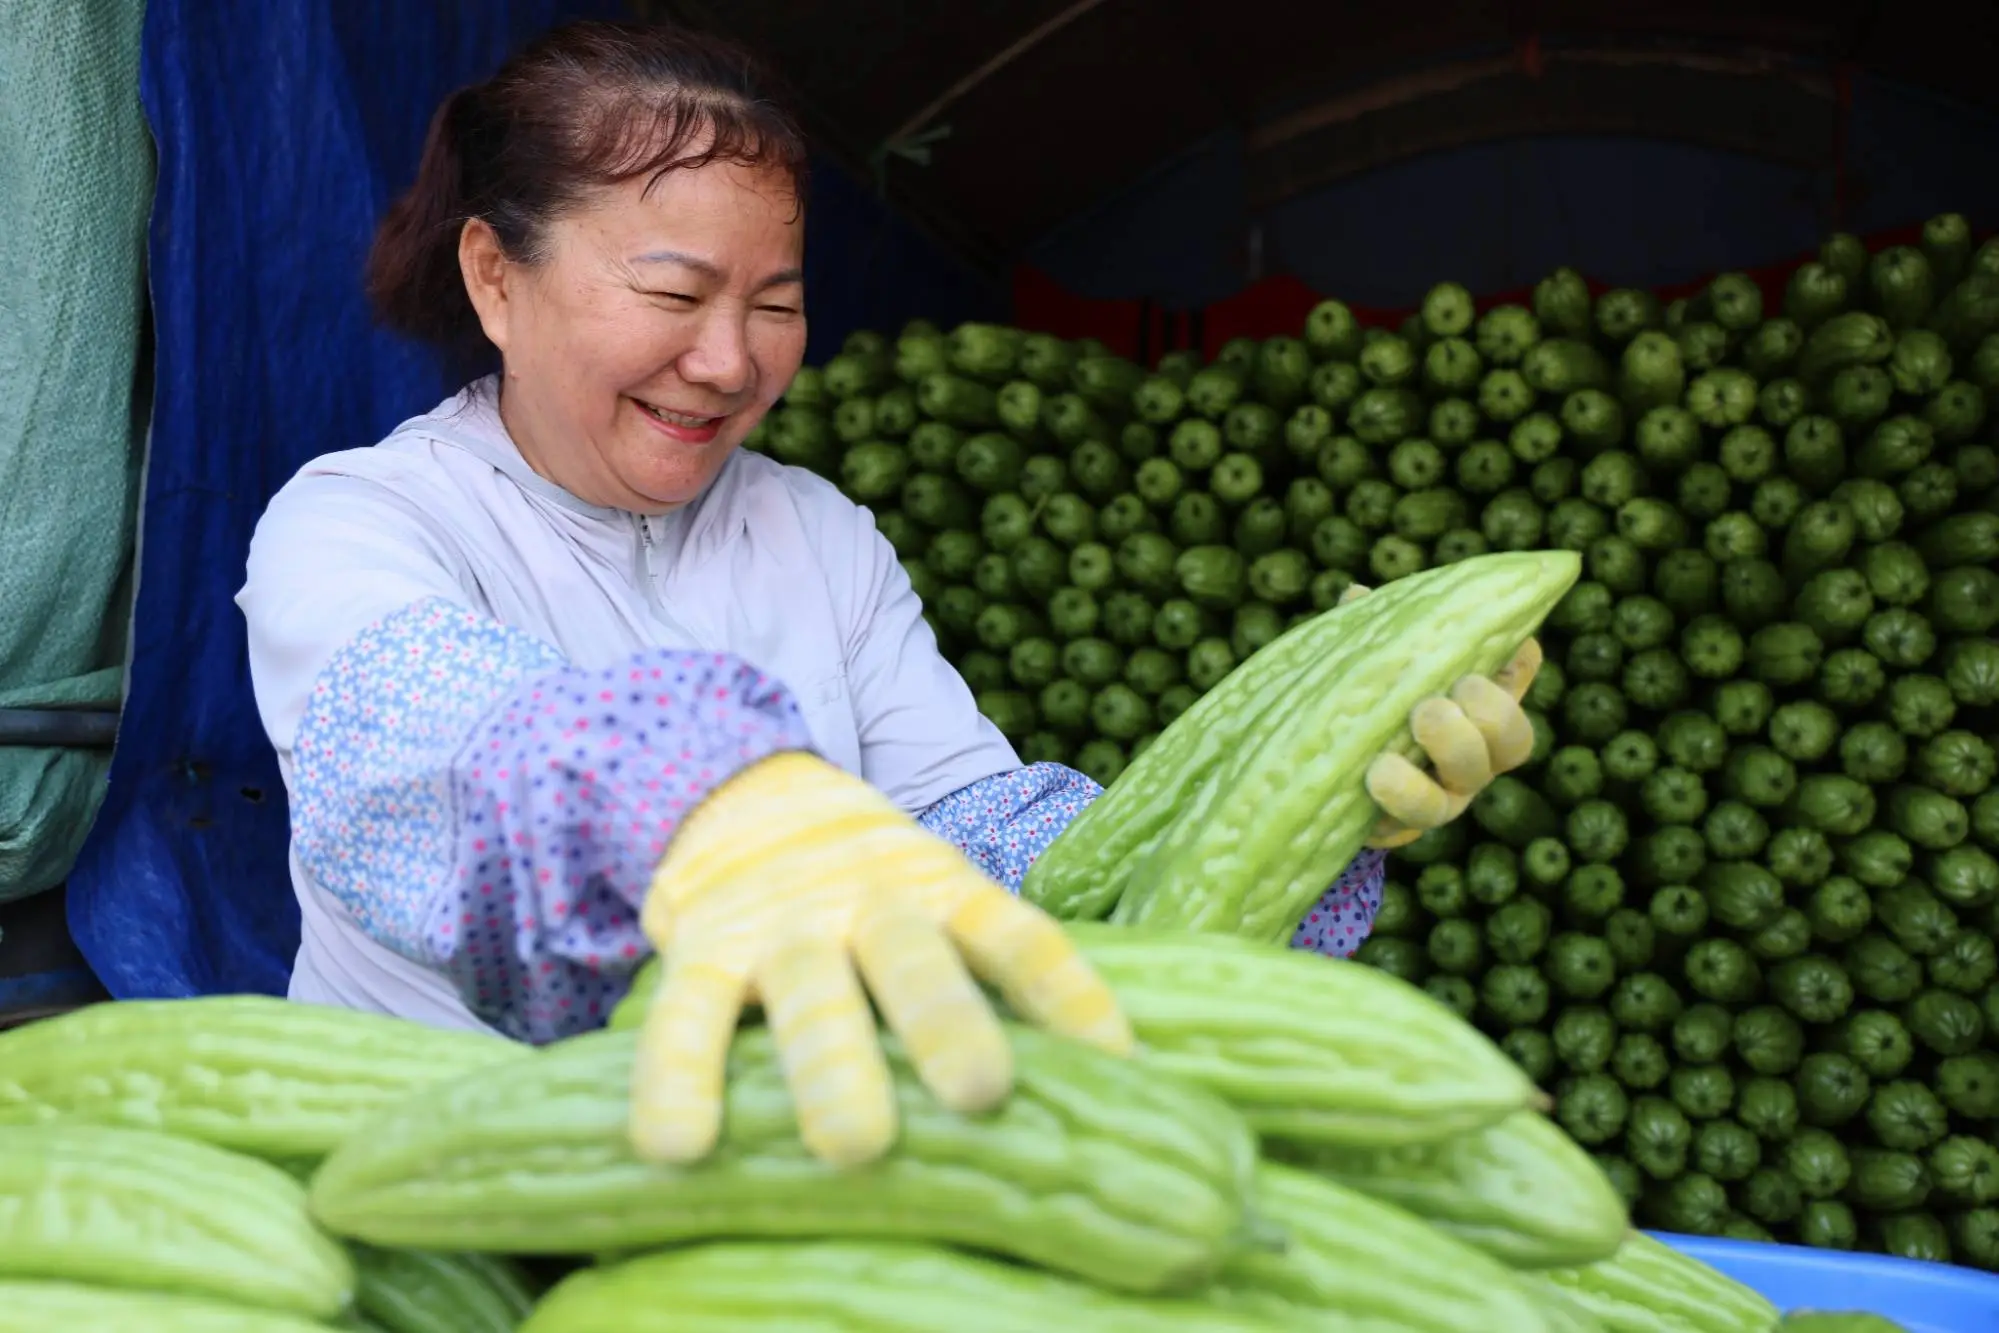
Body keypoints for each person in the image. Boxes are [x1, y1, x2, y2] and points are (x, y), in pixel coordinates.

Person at [237, 19, 1532, 1166]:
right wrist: (714, 799)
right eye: (674, 292)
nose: (728, 359)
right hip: (438, 1195)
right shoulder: (364, 520)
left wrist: (1296, 809)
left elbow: (982, 840)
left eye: (777, 303)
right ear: (494, 277)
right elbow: (427, 733)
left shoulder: (814, 531)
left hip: (765, 1192)